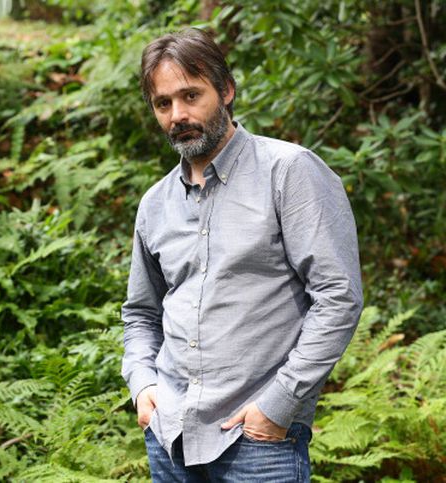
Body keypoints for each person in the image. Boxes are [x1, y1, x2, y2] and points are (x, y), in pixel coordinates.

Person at [121, 28, 363, 482]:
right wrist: (143, 385)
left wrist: (279, 404)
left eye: (191, 95)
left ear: (227, 90)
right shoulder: (155, 204)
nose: (178, 115)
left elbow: (338, 297)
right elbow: (140, 314)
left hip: (258, 442)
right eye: (163, 103)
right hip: (169, 436)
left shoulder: (289, 172)